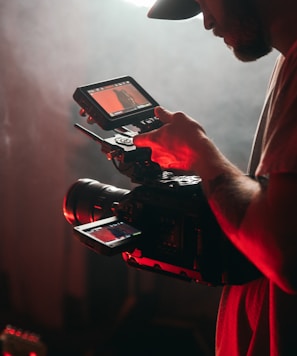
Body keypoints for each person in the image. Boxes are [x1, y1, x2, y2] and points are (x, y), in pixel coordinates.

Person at [133, 0, 297, 355]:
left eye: (204, 2)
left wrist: (201, 154)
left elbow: (285, 253)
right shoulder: (289, 62)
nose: (207, 22)